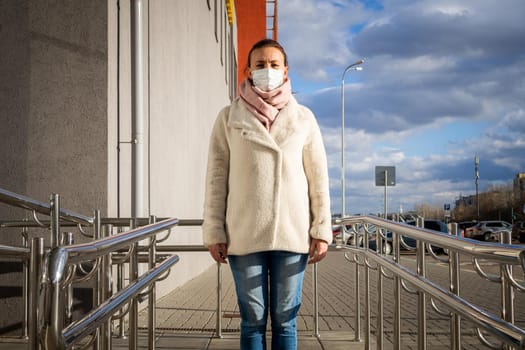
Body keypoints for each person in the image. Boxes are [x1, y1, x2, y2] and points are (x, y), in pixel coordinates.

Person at [202, 38, 332, 350]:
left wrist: (321, 230)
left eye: (274, 64)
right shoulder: (228, 118)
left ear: (286, 71)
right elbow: (216, 179)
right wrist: (214, 230)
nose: (267, 70)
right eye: (260, 64)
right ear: (248, 70)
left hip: (292, 233)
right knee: (252, 321)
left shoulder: (304, 118)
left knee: (286, 321)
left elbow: (318, 179)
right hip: (244, 234)